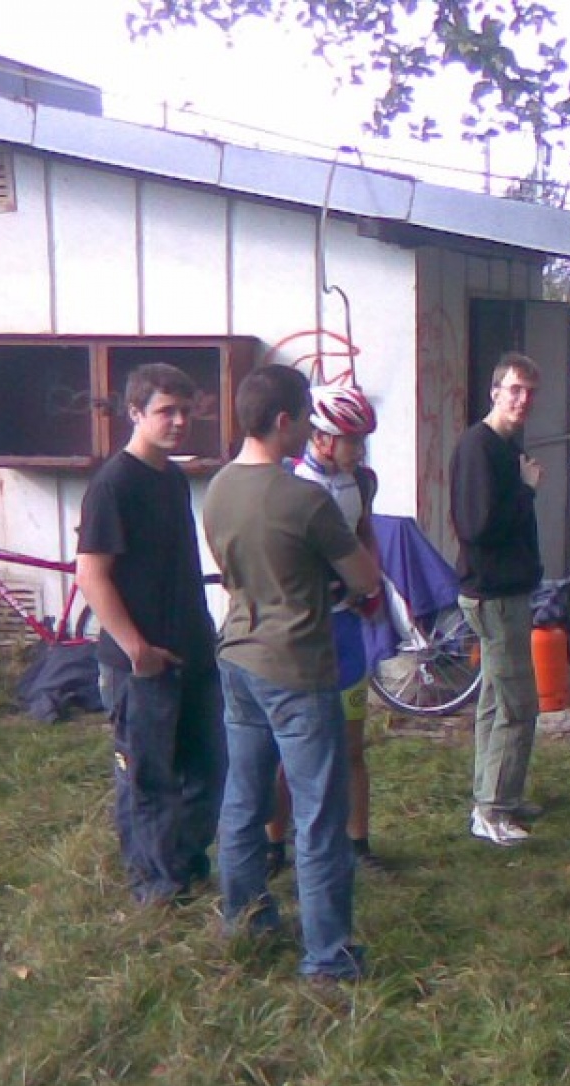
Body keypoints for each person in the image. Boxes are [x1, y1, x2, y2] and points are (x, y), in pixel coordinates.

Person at [203, 364, 383, 981]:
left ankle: (243, 918)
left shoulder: (219, 487)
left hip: (237, 658)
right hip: (298, 668)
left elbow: (232, 569)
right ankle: (328, 956)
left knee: (245, 798)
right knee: (318, 815)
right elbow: (364, 578)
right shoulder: (304, 500)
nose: (310, 427)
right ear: (283, 422)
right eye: (304, 416)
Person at [76, 362, 226, 906]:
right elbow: (91, 574)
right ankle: (155, 889)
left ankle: (185, 866)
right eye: (166, 411)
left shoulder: (172, 477)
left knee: (206, 769)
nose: (179, 421)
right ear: (135, 413)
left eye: (186, 410)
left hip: (191, 651)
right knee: (148, 778)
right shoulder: (114, 483)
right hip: (140, 663)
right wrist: (136, 648)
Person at [265, 385, 385, 875]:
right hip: (301, 630)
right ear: (322, 438)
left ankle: (358, 845)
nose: (360, 451)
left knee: (352, 744)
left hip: (346, 627)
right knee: (287, 748)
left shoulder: (363, 480)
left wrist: (372, 582)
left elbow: (364, 532)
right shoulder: (288, 481)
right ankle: (275, 845)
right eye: (352, 441)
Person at [450, 352, 544, 847]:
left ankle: (494, 795)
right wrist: (526, 492)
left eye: (530, 391)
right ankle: (492, 812)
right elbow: (476, 526)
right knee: (518, 704)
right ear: (494, 392)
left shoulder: (506, 446)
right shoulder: (478, 447)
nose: (523, 399)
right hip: (493, 593)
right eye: (514, 389)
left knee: (494, 699)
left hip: (508, 589)